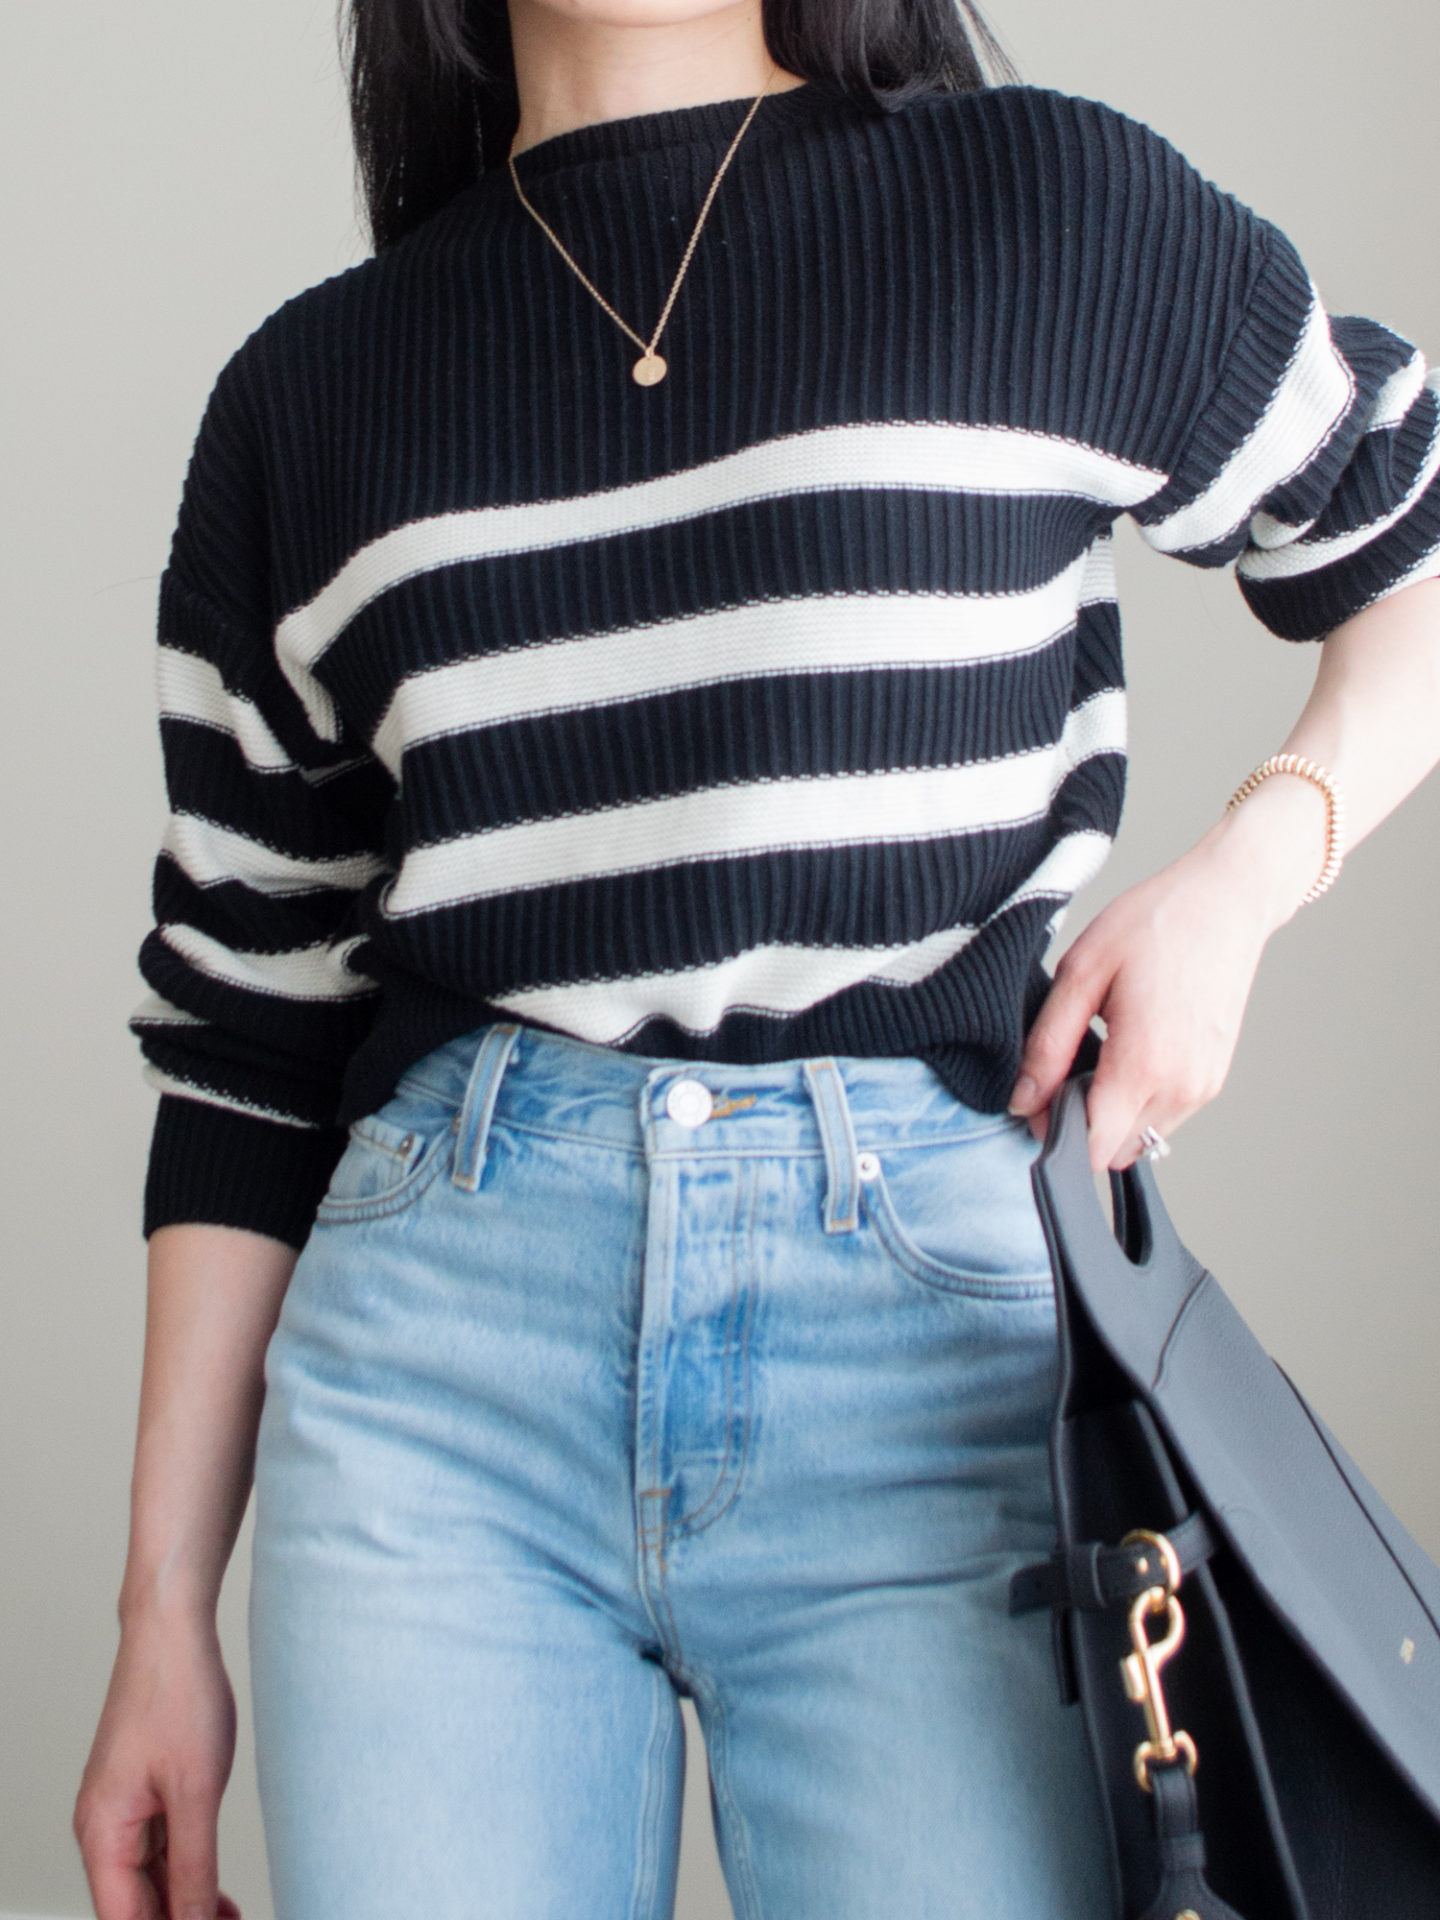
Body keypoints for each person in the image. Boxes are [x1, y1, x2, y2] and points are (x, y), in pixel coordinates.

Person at [74, 1, 1440, 1915]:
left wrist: (1241, 877)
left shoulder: (1046, 206)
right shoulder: (311, 399)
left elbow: (1411, 549)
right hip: (435, 1395)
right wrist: (160, 1616)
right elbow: (242, 1046)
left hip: (936, 1373)